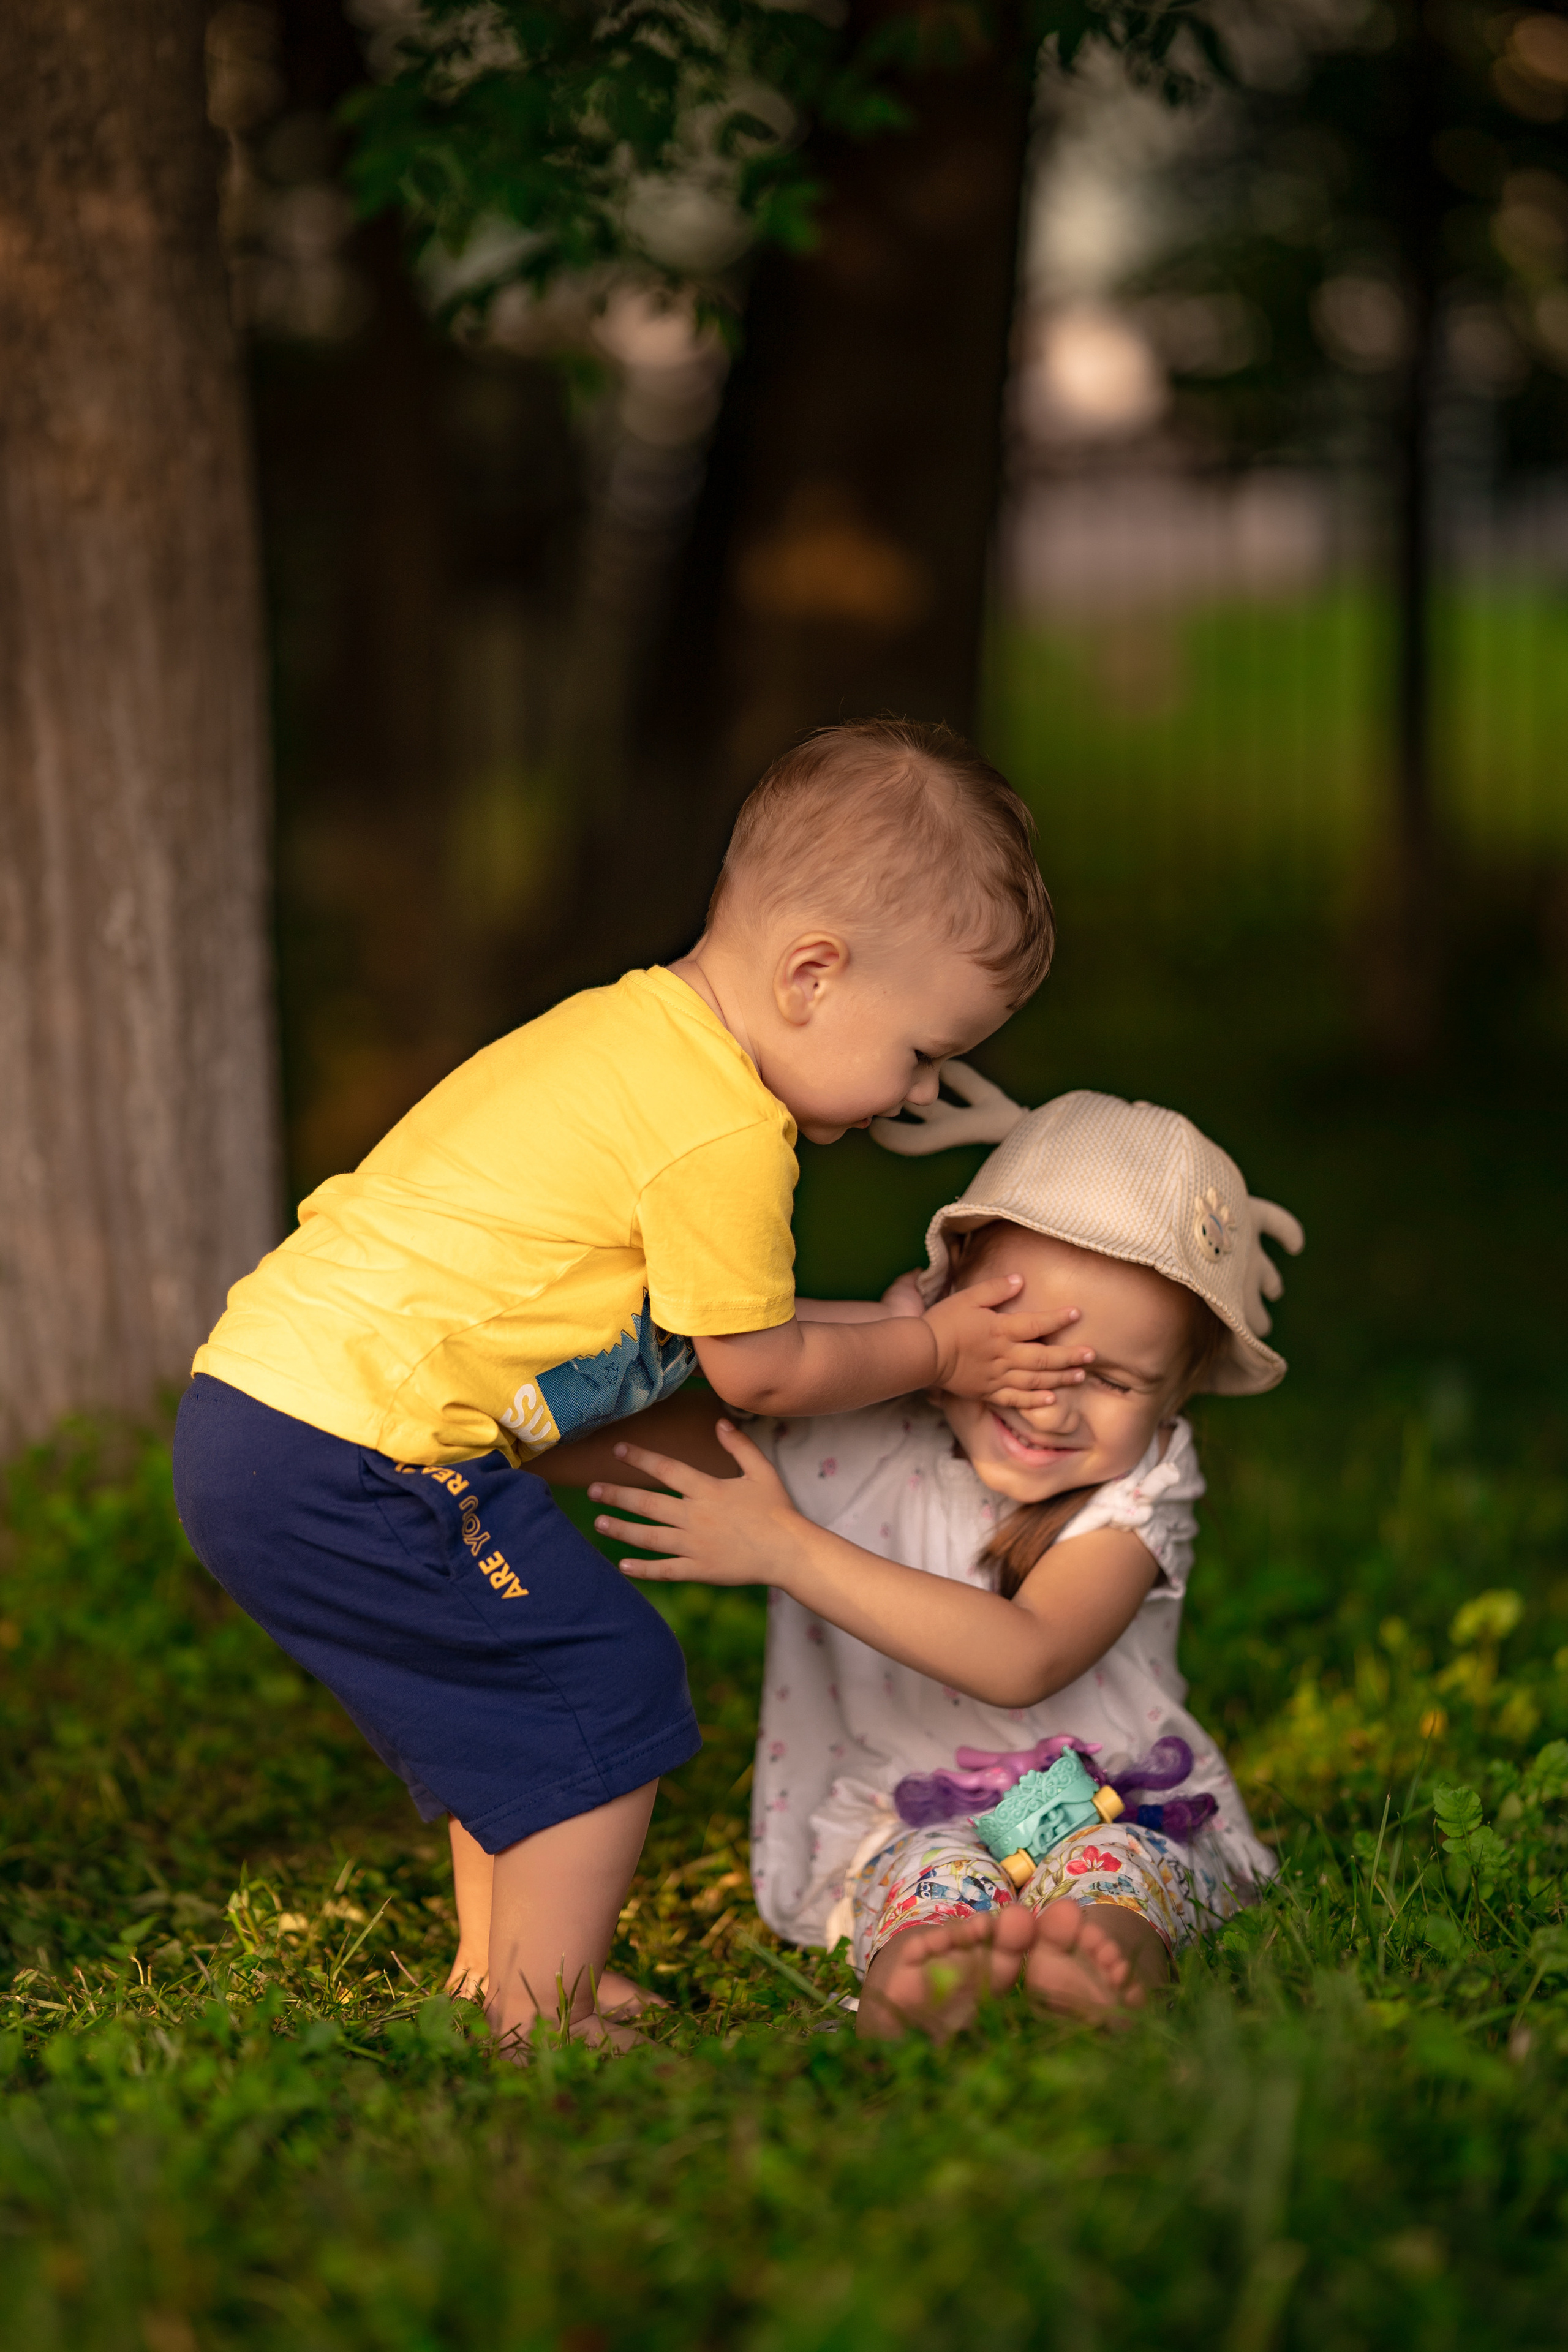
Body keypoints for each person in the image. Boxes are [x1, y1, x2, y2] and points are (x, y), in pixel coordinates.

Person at [171, 720, 1074, 2050]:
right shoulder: (722, 1131)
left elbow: (718, 1329)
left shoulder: (638, 1044)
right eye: (920, 1052)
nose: (918, 1093)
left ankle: (507, 1973)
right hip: (354, 1447)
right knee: (599, 1684)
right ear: (812, 975)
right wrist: (935, 1352)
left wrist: (885, 1328)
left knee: (517, 1691)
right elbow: (759, 1367)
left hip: (273, 1415)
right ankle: (538, 2018)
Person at [579, 1080, 1303, 2036]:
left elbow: (1025, 1655)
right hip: (909, 1817)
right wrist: (894, 1341)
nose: (1050, 1402)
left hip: (1113, 1801)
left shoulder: (1139, 1489)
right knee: (929, 1883)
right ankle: (929, 1976)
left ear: (1176, 1394)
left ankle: (1102, 1956)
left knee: (1121, 1872)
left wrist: (788, 1548)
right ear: (946, 1299)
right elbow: (608, 1420)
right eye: (1025, 1347)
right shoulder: (856, 1432)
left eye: (1112, 1380)